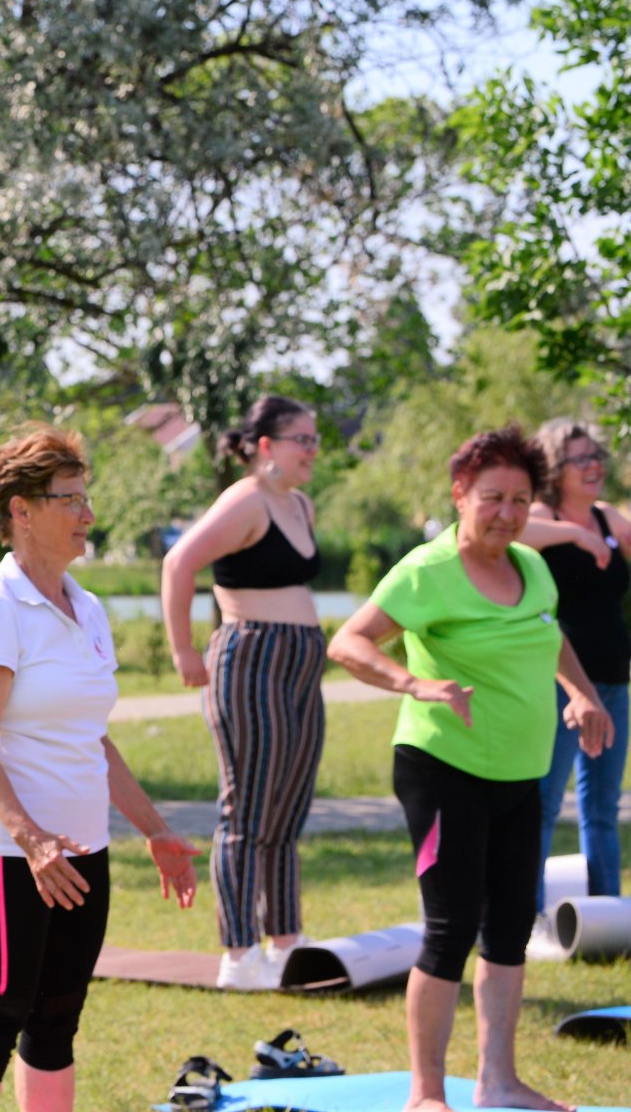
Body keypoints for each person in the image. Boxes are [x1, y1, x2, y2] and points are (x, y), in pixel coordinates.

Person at [329, 424, 615, 1112]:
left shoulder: (533, 566)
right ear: (460, 495)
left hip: (520, 771)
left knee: (512, 925)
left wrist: (584, 694)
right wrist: (413, 684)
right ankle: (425, 1093)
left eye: (520, 500)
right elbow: (348, 641)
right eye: (492, 498)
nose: (507, 514)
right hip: (442, 768)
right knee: (450, 926)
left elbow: (550, 635)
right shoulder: (427, 571)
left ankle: (499, 1081)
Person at [0, 425, 200, 1112]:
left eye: (87, 497)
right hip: (6, 854)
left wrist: (156, 831)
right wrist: (33, 840)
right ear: (21, 510)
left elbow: (95, 740)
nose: (88, 514)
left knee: (57, 1020)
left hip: (84, 849)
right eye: (70, 499)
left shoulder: (87, 607)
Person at [159, 395, 325, 989]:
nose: (312, 450)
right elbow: (179, 563)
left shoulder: (298, 504)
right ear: (264, 446)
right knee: (249, 809)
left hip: (302, 662)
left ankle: (285, 942)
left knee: (288, 807)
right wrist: (183, 649)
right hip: (250, 658)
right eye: (300, 439)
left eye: (314, 439)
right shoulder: (245, 499)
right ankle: (238, 951)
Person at [521, 418, 631, 947]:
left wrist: (596, 529)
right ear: (555, 469)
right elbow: (514, 533)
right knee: (543, 802)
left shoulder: (610, 515)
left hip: (613, 680)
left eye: (597, 456)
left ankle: (607, 924)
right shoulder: (542, 516)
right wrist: (576, 534)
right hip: (560, 684)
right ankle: (527, 921)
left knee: (603, 810)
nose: (595, 466)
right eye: (581, 459)